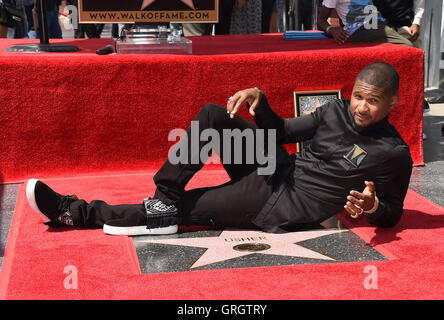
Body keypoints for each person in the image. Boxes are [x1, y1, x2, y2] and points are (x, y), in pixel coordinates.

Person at [26, 62, 413, 236]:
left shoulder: (393, 153)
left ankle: (74, 213)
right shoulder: (334, 109)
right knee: (214, 115)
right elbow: (279, 131)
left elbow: (392, 214)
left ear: (393, 102)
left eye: (373, 101)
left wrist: (374, 208)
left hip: (282, 203)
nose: (362, 106)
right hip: (277, 166)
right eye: (359, 96)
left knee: (183, 212)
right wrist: (259, 100)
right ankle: (164, 194)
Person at [318, 0, 413, 46]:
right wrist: (331, 30)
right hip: (361, 28)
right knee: (407, 47)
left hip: (380, 24)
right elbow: (320, 20)